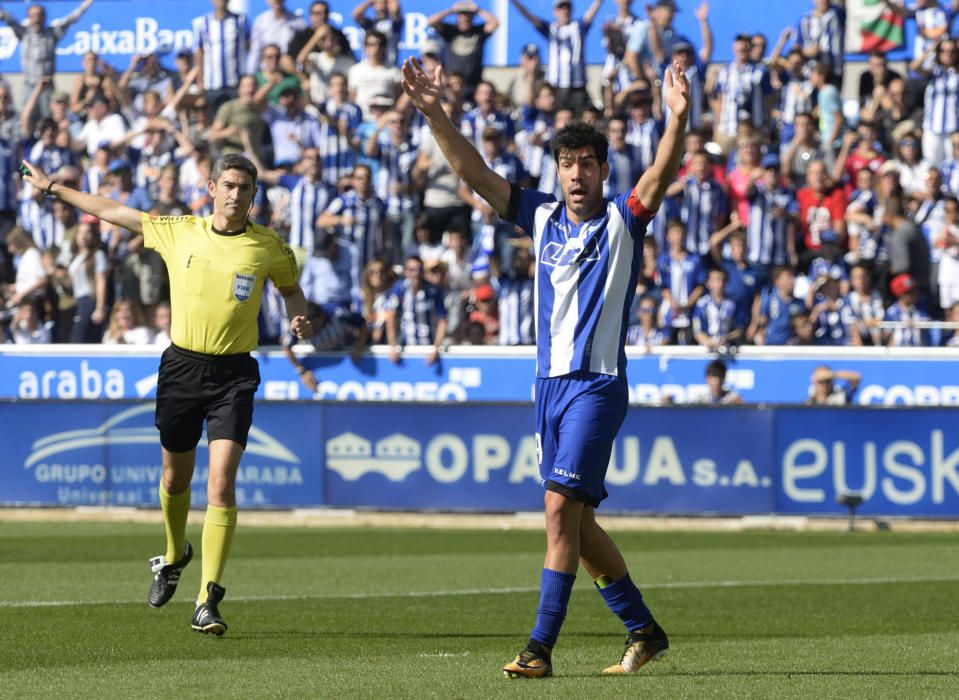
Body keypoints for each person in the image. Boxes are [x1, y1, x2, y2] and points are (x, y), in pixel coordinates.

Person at [402, 50, 690, 677]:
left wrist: (676, 120)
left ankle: (539, 648)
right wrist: (433, 112)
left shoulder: (622, 219)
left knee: (558, 511)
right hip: (547, 387)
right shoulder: (539, 215)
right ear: (555, 172)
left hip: (597, 385)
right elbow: (472, 171)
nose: (577, 174)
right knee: (577, 525)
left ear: (603, 170)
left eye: (587, 164)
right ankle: (643, 630)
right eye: (567, 164)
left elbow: (661, 174)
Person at [21, 153, 312, 635]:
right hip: (182, 368)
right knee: (175, 480)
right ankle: (175, 553)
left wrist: (300, 317)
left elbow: (291, 289)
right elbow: (112, 211)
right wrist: (54, 187)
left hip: (235, 374)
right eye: (230, 185)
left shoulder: (268, 246)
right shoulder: (180, 230)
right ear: (213, 186)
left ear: (253, 196)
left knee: (221, 483)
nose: (237, 195)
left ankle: (207, 599)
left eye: (246, 188)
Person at [0, 0, 94, 120]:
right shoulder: (23, 33)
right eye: (33, 16)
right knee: (25, 117)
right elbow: (7, 18)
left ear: (44, 17)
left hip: (47, 87)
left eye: (39, 15)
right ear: (28, 18)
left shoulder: (52, 34)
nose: (36, 19)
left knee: (48, 118)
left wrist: (86, 4)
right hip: (29, 85)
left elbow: (71, 19)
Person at [509, 0, 603, 112]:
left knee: (580, 118)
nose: (565, 11)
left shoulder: (578, 27)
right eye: (561, 8)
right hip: (556, 86)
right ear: (554, 11)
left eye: (567, 8)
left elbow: (592, 12)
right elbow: (529, 16)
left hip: (577, 85)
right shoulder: (550, 29)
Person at [427, 2, 500, 101]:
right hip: (452, 85)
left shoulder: (479, 31)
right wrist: (451, 11)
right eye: (462, 15)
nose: (465, 18)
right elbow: (431, 22)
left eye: (469, 15)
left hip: (473, 84)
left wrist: (478, 10)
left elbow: (495, 23)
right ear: (457, 17)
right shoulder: (449, 31)